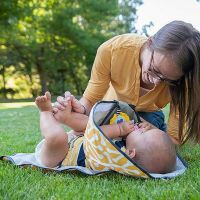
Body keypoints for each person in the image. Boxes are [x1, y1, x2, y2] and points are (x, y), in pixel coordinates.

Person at [53, 20, 200, 144]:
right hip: (109, 111)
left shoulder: (184, 80)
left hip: (149, 116)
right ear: (150, 42)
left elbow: (173, 140)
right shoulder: (111, 51)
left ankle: (156, 127)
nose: (156, 81)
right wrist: (80, 109)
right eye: (154, 69)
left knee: (141, 146)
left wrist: (154, 132)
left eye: (167, 80)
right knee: (96, 132)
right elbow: (91, 100)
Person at [35, 91, 176, 174]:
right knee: (90, 123)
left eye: (143, 132)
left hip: (59, 157)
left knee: (57, 136)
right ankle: (66, 117)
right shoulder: (126, 143)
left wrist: (119, 129)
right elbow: (91, 127)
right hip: (78, 140)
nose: (143, 127)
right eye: (147, 128)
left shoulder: (116, 159)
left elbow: (96, 134)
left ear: (131, 153)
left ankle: (45, 112)